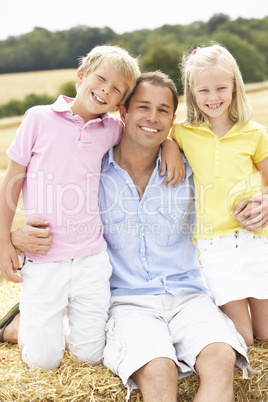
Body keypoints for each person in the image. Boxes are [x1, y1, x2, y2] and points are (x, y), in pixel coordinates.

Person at [5, 72, 249, 402]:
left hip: (189, 294)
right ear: (123, 113)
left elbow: (236, 177)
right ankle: (26, 322)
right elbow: (46, 198)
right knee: (160, 371)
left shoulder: (189, 167)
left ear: (172, 120)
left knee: (221, 361)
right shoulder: (92, 170)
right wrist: (12, 236)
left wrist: (256, 204)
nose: (152, 117)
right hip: (126, 302)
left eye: (163, 110)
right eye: (143, 107)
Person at [0, 45, 142, 369]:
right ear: (81, 76)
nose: (106, 89)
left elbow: (148, 139)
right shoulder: (38, 118)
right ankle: (18, 325)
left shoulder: (113, 130)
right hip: (44, 259)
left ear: (120, 100)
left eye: (117, 88)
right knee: (43, 363)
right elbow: (10, 182)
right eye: (101, 78)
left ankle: (44, 323)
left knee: (90, 357)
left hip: (92, 259)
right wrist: (4, 241)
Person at [170, 43, 268, 347]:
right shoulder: (181, 133)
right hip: (215, 246)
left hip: (254, 238)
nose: (213, 97)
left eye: (221, 88)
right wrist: (170, 149)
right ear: (191, 92)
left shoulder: (254, 133)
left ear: (235, 87)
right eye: (204, 91)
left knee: (266, 334)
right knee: (244, 340)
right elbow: (161, 137)